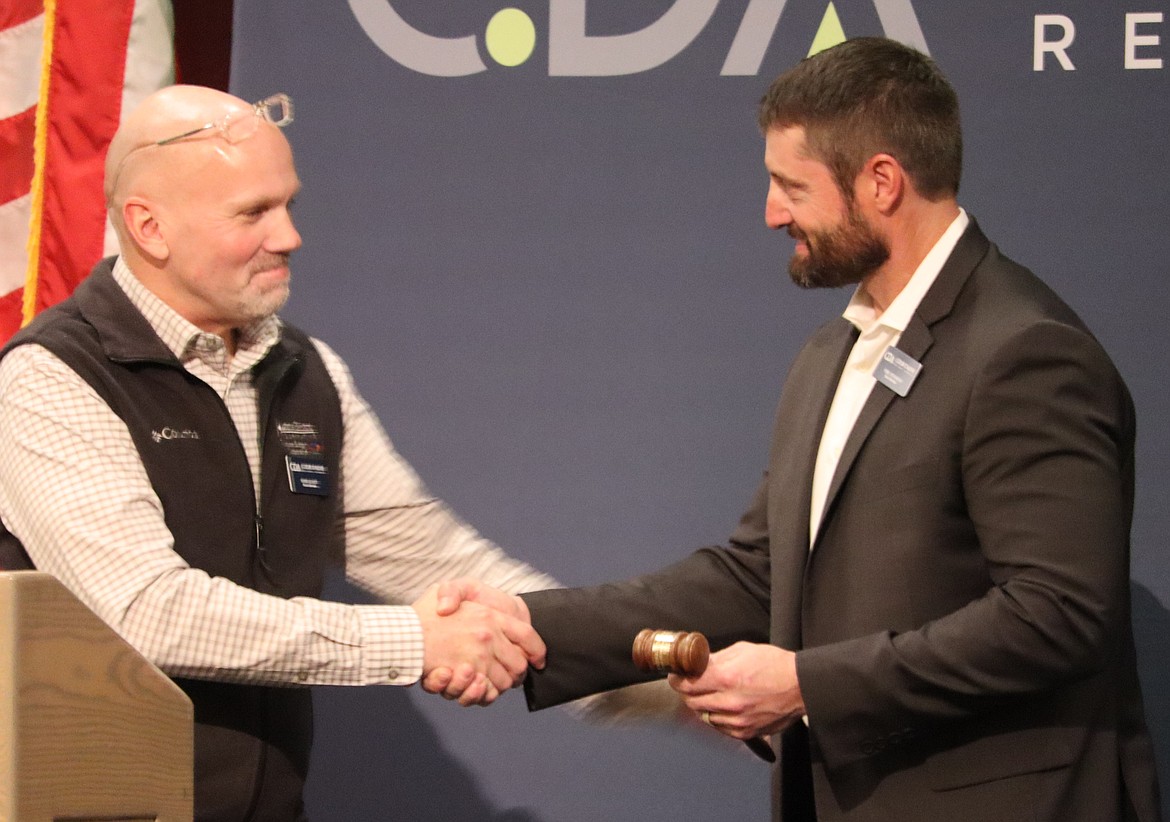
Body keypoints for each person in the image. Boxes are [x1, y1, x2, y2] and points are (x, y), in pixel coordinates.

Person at [437, 37, 1162, 821]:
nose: (772, 212)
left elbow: (1057, 613)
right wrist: (533, 623)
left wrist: (806, 685)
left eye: (791, 186)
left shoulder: (1025, 349)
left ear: (882, 181)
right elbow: (759, 574)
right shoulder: (832, 352)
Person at [0, 85, 555, 822]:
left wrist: (632, 660)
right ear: (149, 228)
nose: (289, 236)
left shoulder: (304, 369)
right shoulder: (51, 378)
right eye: (254, 213)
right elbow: (148, 611)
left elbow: (426, 553)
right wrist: (410, 641)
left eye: (289, 204)